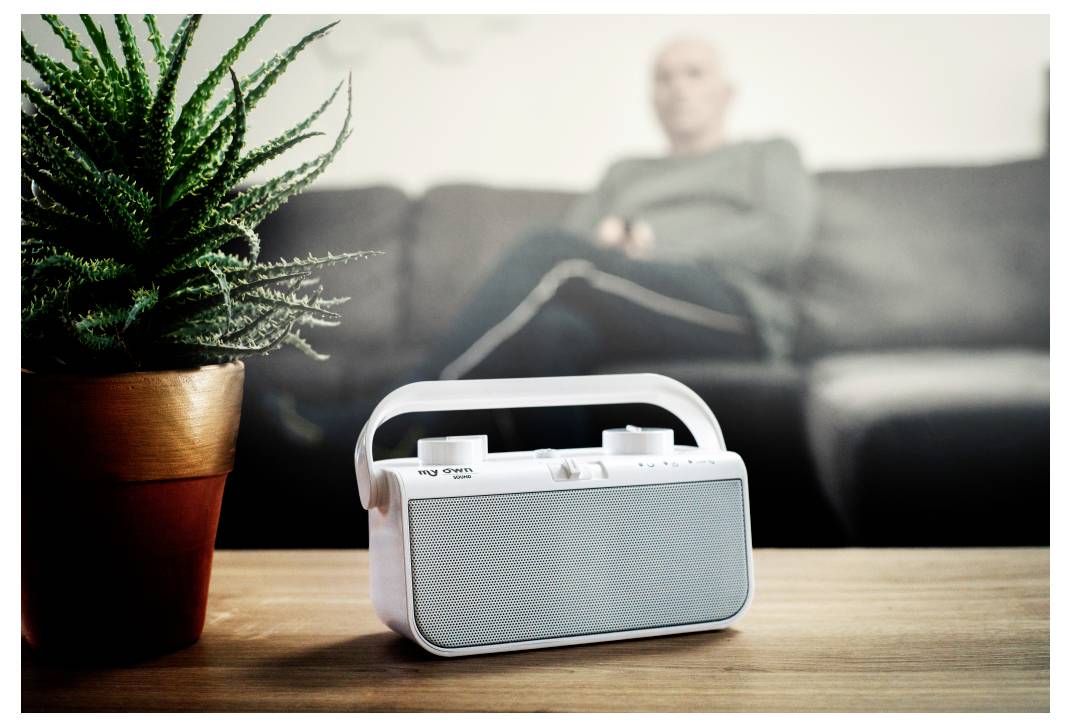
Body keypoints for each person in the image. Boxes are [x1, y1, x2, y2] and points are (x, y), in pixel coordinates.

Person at [405, 36, 816, 386]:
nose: (677, 87)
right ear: (653, 98)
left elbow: (782, 234)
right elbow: (576, 246)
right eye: (664, 77)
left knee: (546, 249)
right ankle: (561, 464)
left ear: (727, 93)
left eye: (694, 73)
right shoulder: (624, 172)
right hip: (630, 305)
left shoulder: (768, 153)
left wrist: (654, 244)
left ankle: (404, 409)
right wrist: (609, 243)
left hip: (730, 308)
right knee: (551, 332)